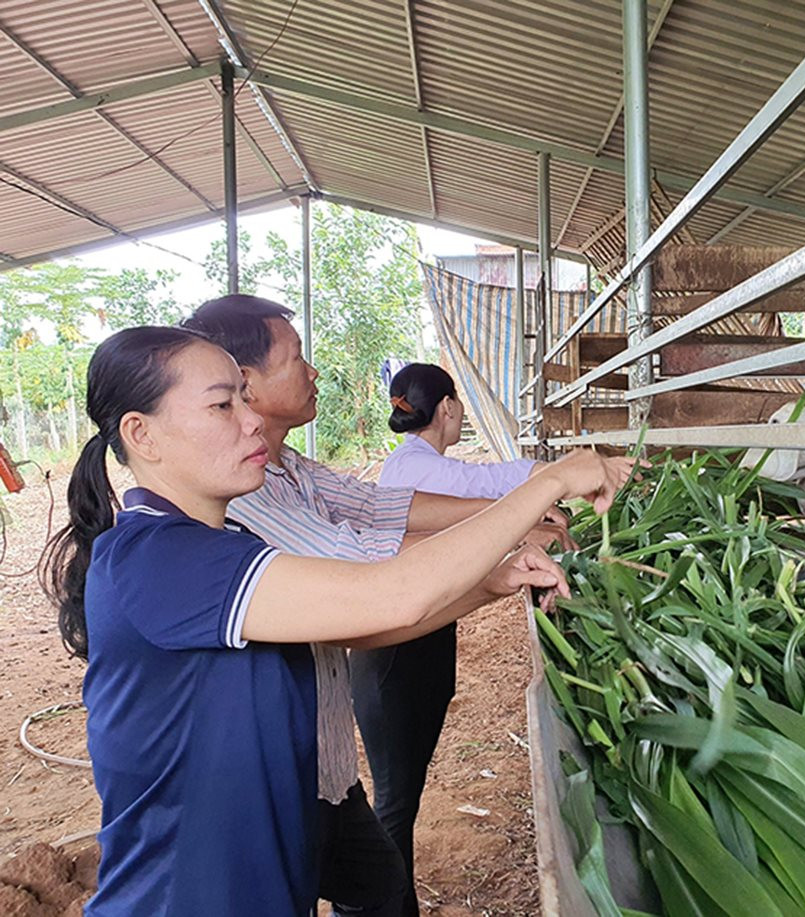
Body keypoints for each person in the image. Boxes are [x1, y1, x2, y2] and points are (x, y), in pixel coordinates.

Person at [40, 325, 634, 916]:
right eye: (222, 405)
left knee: (375, 881)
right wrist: (549, 482)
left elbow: (354, 621)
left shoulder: (228, 543)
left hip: (255, 880)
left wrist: (490, 581)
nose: (250, 421)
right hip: (185, 897)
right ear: (141, 434)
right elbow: (390, 595)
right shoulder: (162, 559)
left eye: (244, 399)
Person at [181, 294, 571, 916]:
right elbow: (371, 576)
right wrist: (531, 505)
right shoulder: (229, 506)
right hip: (268, 785)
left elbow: (379, 511)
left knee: (382, 891)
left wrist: (507, 547)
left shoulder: (292, 472)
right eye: (297, 358)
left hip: (325, 767)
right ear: (243, 387)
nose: (313, 372)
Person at [350, 362, 552, 888]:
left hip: (414, 645)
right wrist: (563, 474)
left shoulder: (410, 462)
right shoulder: (424, 470)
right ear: (446, 408)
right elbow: (493, 483)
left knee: (402, 793)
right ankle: (387, 904)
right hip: (396, 656)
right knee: (396, 798)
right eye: (458, 402)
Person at [378, 362, 546, 497]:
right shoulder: (429, 469)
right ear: (448, 406)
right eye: (458, 398)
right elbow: (492, 481)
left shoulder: (396, 461)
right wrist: (558, 471)